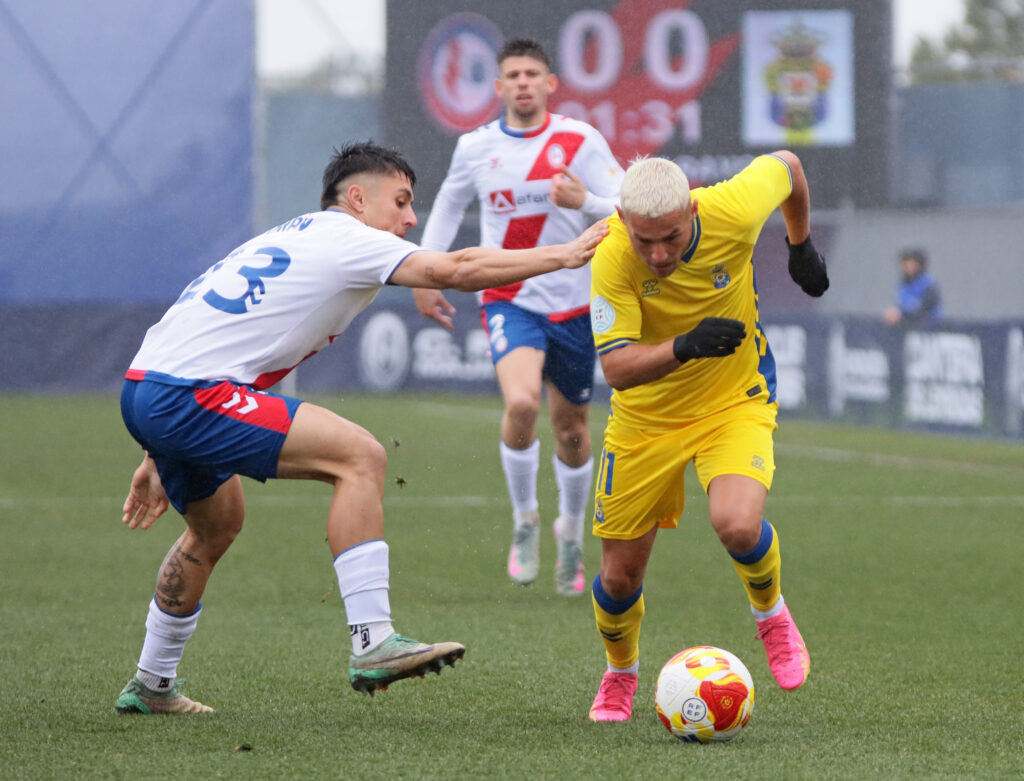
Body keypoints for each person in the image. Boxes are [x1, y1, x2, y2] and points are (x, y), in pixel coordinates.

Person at [114, 141, 608, 714]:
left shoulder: (293, 234)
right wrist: (564, 254)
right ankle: (373, 640)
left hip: (152, 386)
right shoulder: (349, 238)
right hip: (188, 394)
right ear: (356, 198)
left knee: (216, 525)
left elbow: (216, 333)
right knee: (360, 456)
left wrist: (156, 445)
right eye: (400, 202)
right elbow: (458, 268)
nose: (411, 218)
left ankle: (152, 684)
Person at [585, 152, 829, 721]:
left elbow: (790, 166)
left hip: (732, 400)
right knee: (619, 577)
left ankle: (771, 615)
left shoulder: (732, 209)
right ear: (623, 219)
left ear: (692, 209)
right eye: (645, 241)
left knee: (737, 522)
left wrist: (801, 246)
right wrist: (685, 345)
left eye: (670, 237)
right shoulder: (613, 256)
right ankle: (620, 673)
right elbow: (616, 367)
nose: (659, 254)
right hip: (645, 420)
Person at [412, 38, 624, 596]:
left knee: (573, 429)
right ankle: (526, 519)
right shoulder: (476, 147)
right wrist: (423, 274)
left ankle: (571, 533)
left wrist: (586, 203)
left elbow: (629, 202)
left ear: (551, 83)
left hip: (577, 304)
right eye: (513, 74)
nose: (524, 82)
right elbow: (451, 205)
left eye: (534, 73)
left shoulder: (580, 140)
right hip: (508, 296)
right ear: (500, 86)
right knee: (523, 402)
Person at [883, 248, 943, 327]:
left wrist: (902, 314)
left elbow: (925, 309)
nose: (907, 267)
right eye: (905, 264)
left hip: (928, 327)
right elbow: (901, 304)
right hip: (907, 326)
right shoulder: (903, 285)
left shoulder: (928, 283)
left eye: (911, 263)